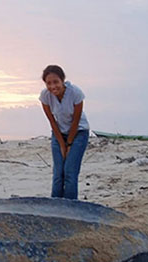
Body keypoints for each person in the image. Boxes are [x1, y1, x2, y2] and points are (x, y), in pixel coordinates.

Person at [39, 65, 90, 199]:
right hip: (59, 133)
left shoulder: (75, 93)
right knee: (58, 173)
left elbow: (76, 121)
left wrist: (69, 144)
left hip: (78, 132)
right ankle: (55, 206)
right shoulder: (45, 96)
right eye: (48, 83)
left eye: (56, 82)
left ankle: (71, 208)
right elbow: (52, 121)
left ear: (62, 80)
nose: (53, 86)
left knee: (70, 172)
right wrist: (62, 144)